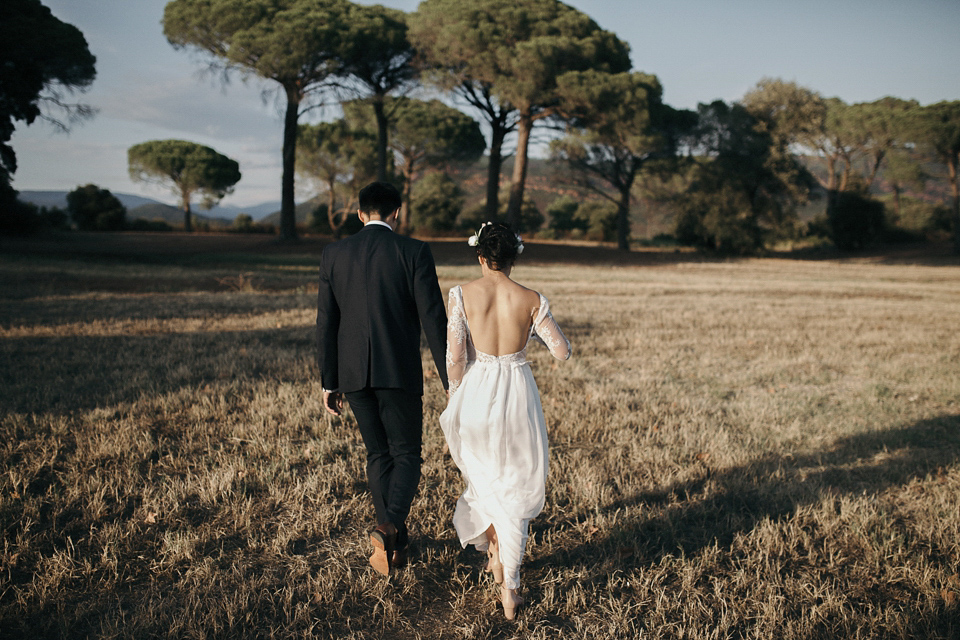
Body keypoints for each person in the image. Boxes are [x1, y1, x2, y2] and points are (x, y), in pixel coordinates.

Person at [439, 222, 571, 620]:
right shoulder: (531, 298)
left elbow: (456, 357)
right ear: (514, 257)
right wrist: (533, 328)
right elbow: (562, 351)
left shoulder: (461, 295)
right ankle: (509, 586)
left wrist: (454, 394)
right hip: (517, 395)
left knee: (485, 478)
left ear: (480, 255)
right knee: (514, 486)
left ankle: (495, 556)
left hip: (477, 393)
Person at [316, 181, 448, 576]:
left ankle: (392, 540)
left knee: (377, 454)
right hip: (399, 370)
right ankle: (389, 526)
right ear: (397, 212)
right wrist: (450, 377)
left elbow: (326, 322)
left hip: (353, 372)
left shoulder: (334, 252)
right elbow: (433, 320)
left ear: (360, 214)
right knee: (406, 453)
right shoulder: (414, 251)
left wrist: (329, 380)